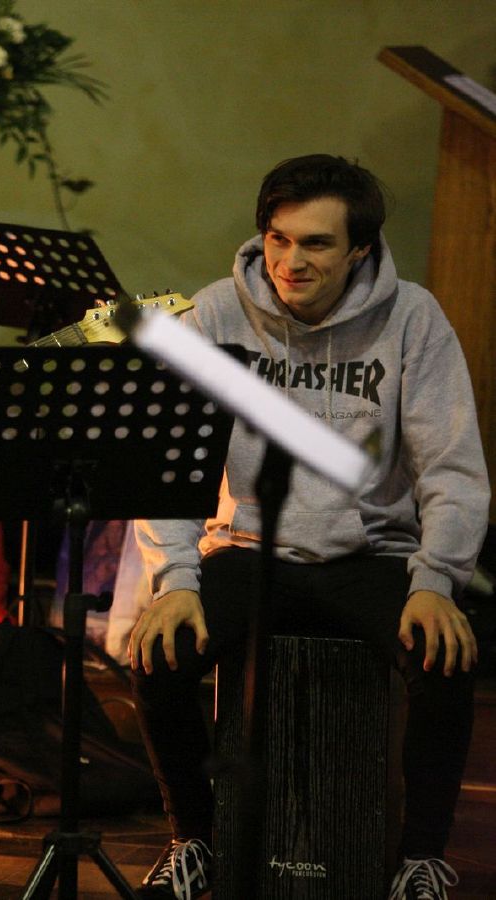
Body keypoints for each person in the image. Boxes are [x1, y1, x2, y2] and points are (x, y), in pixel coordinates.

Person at [127, 154, 488, 900]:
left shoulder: (413, 317)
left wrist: (437, 580)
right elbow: (165, 466)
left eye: (317, 243)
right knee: (157, 655)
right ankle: (193, 840)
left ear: (360, 250)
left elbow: (452, 468)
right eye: (278, 239)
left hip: (371, 553)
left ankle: (420, 858)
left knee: (446, 659)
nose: (291, 261)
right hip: (246, 547)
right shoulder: (215, 314)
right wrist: (176, 579)